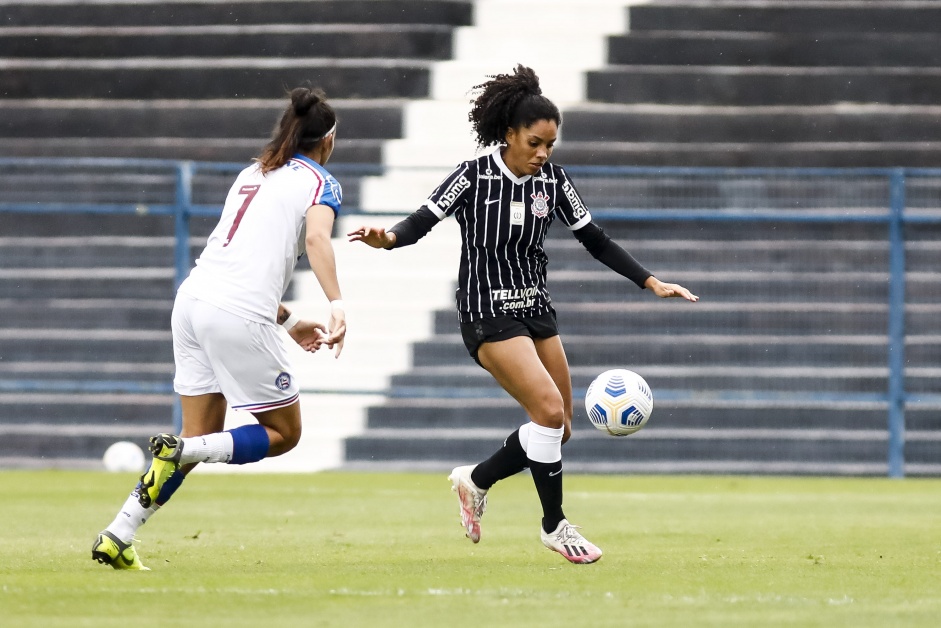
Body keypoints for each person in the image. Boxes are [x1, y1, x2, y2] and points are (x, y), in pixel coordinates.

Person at [348, 65, 698, 565]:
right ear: (509, 134)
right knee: (549, 413)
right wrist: (388, 239)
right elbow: (421, 221)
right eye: (534, 143)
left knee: (560, 428)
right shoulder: (473, 176)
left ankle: (476, 479)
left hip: (535, 309)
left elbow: (594, 239)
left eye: (550, 145)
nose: (543, 154)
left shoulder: (552, 180)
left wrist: (649, 280)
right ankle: (555, 526)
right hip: (487, 310)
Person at [92, 85, 348, 570]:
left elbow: (237, 266)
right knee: (283, 432)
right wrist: (337, 303)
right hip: (237, 314)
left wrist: (290, 319)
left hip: (192, 302)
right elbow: (317, 238)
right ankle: (183, 450)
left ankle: (117, 534)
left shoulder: (253, 172)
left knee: (199, 436)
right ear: (328, 141)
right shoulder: (322, 182)